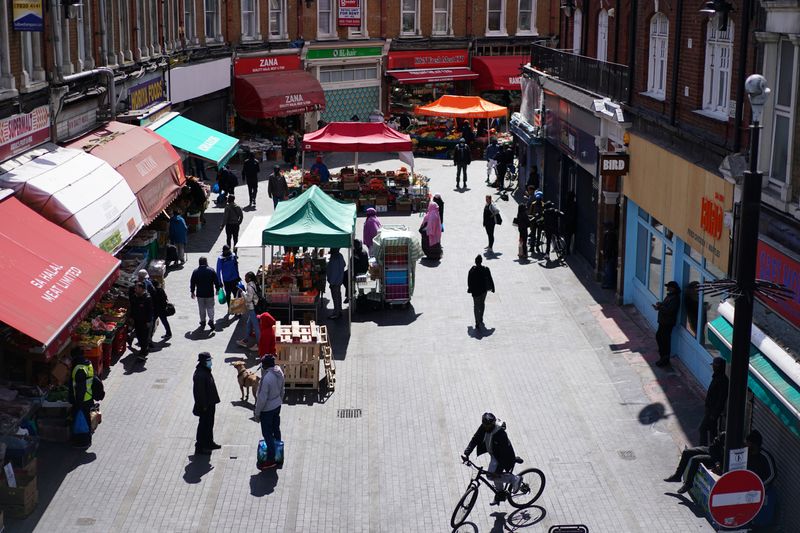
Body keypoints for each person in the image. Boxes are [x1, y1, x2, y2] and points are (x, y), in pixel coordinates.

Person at [461, 413, 521, 505]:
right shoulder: (484, 427)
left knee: (491, 476)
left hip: (504, 457)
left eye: (488, 426)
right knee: (495, 476)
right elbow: (475, 439)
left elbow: (504, 454)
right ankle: (500, 494)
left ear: (493, 424)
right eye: (484, 425)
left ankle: (515, 479)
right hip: (495, 454)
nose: (485, 427)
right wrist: (466, 453)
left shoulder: (500, 434)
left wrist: (497, 471)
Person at [254, 354, 285, 469]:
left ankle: (271, 459)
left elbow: (262, 399)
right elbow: (283, 389)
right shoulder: (279, 372)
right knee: (276, 428)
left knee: (267, 433)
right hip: (277, 405)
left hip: (267, 409)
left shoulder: (266, 378)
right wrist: (279, 400)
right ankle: (278, 452)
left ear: (265, 365)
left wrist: (257, 413)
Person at [192, 352, 221, 455]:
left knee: (209, 424)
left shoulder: (205, 370)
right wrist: (204, 406)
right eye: (209, 360)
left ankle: (209, 442)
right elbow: (199, 393)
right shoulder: (200, 374)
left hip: (210, 403)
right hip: (205, 406)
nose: (210, 362)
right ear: (204, 361)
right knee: (204, 425)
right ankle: (200, 447)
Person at [699, 357, 729, 446]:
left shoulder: (722, 380)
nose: (713, 368)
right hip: (710, 410)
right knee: (712, 431)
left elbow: (721, 399)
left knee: (703, 428)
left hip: (712, 412)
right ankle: (713, 448)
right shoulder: (717, 376)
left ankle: (703, 449)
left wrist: (714, 414)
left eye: (714, 366)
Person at [69, 347, 94, 448]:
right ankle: (86, 439)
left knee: (81, 420)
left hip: (82, 400)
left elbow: (81, 388)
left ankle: (82, 442)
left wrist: (78, 403)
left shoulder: (79, 369)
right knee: (86, 419)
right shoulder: (87, 364)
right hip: (87, 398)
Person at [654, 281, 681, 367]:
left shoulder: (675, 298)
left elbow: (670, 311)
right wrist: (660, 305)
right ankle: (662, 356)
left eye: (669, 287)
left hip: (667, 323)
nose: (667, 288)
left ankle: (664, 358)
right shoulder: (670, 296)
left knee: (664, 340)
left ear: (673, 288)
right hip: (663, 321)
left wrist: (660, 307)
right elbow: (666, 306)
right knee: (659, 337)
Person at [190, 256, 221, 331]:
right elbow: (216, 281)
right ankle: (211, 320)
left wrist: (192, 291)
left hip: (200, 294)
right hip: (209, 293)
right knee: (210, 308)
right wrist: (217, 289)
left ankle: (203, 321)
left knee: (201, 309)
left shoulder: (195, 271)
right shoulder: (211, 270)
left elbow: (192, 282)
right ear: (206, 262)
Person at [467, 255, 495, 331]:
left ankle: (477, 321)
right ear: (481, 261)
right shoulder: (485, 269)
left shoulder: (472, 270)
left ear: (475, 262)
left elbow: (469, 281)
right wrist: (492, 288)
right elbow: (490, 279)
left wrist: (470, 289)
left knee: (476, 305)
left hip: (475, 291)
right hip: (483, 290)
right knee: (482, 303)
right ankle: (480, 318)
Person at [237, 272, 261, 353]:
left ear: (249, 278)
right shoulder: (253, 283)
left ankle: (259, 345)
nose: (245, 279)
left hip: (252, 308)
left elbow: (248, 299)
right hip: (252, 308)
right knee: (248, 324)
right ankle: (245, 340)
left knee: (256, 327)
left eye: (246, 277)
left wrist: (242, 292)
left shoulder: (249, 286)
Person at [129, 282, 154, 360]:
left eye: (137, 288)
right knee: (139, 335)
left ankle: (143, 352)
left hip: (144, 321)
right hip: (137, 320)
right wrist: (131, 317)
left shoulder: (147, 298)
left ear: (142, 289)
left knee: (144, 337)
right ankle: (143, 349)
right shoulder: (134, 297)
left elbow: (150, 310)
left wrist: (148, 321)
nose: (135, 289)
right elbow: (132, 308)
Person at [216, 245, 241, 310]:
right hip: (226, 280)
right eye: (226, 251)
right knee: (228, 294)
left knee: (236, 294)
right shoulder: (220, 259)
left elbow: (236, 266)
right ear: (223, 251)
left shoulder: (233, 255)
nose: (228, 252)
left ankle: (236, 309)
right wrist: (219, 282)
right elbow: (218, 271)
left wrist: (238, 276)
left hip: (234, 279)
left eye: (228, 250)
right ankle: (230, 308)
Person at [327, 248, 346, 319]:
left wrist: (331, 281)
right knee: (338, 296)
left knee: (335, 297)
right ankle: (339, 310)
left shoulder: (334, 258)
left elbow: (332, 271)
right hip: (338, 280)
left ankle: (336, 313)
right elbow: (344, 264)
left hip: (334, 281)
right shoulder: (340, 256)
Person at [601, 222, 618, 288]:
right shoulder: (611, 234)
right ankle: (608, 283)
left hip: (610, 256)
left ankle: (609, 284)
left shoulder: (609, 235)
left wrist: (606, 256)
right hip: (610, 255)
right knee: (608, 269)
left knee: (609, 270)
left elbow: (609, 247)